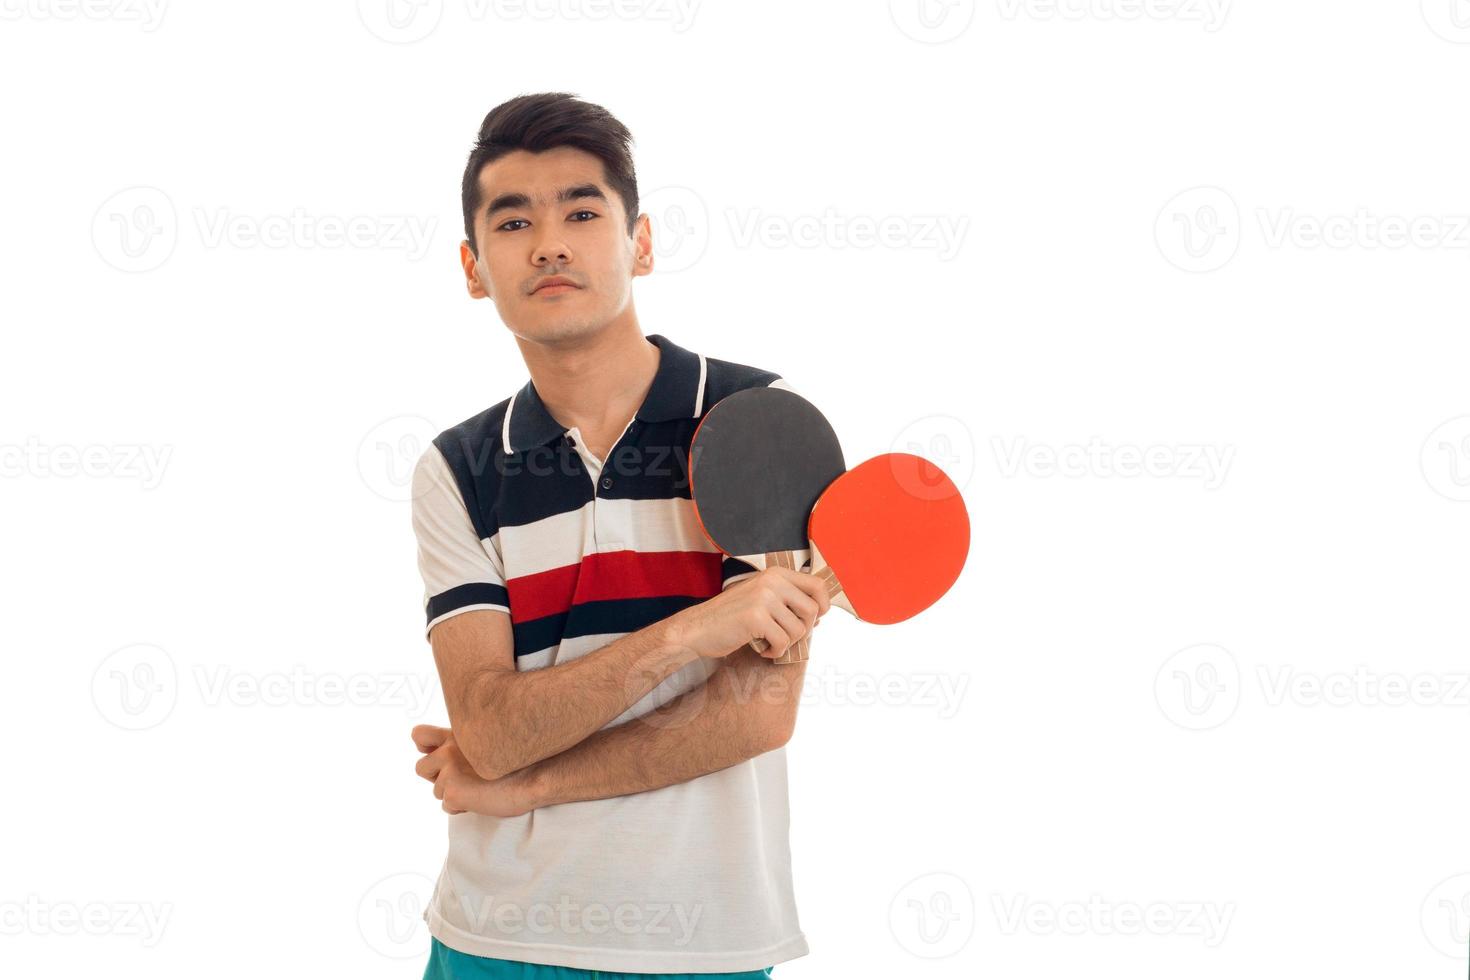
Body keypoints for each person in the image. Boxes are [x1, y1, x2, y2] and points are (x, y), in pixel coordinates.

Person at [409, 92, 831, 979]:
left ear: (640, 242)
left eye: (583, 210)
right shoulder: (456, 469)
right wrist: (689, 632)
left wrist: (520, 784)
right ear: (474, 267)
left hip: (706, 941)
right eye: (514, 219)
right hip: (493, 940)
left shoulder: (759, 421)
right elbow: (486, 729)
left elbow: (754, 713)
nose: (551, 242)